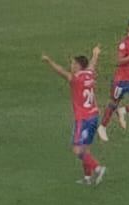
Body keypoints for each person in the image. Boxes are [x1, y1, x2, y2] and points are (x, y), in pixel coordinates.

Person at [41, 45, 105, 187]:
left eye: (72, 63)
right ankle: (87, 178)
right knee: (86, 148)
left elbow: (60, 71)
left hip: (83, 119)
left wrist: (48, 61)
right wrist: (95, 54)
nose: (71, 66)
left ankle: (98, 168)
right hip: (94, 116)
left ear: (77, 65)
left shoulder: (75, 78)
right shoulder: (89, 74)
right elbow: (92, 64)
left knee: (77, 149)